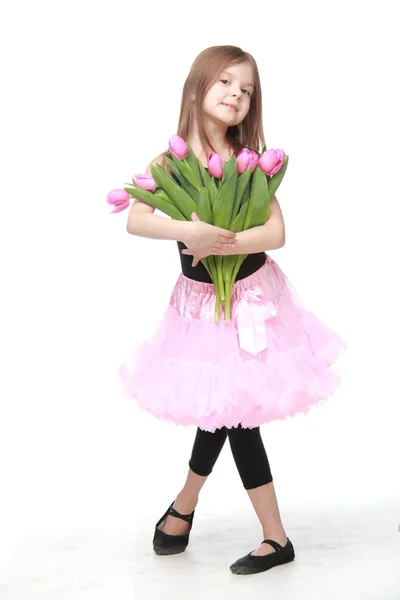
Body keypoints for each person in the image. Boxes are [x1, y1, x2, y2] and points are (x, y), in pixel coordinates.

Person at [118, 45, 346, 576]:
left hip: (251, 298)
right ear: (198, 88)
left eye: (246, 90)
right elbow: (137, 219)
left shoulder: (249, 160)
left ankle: (250, 530)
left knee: (234, 413)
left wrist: (224, 239)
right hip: (200, 306)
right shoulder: (170, 162)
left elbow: (277, 233)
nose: (236, 96)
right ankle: (189, 510)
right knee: (225, 410)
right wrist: (188, 231)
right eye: (225, 83)